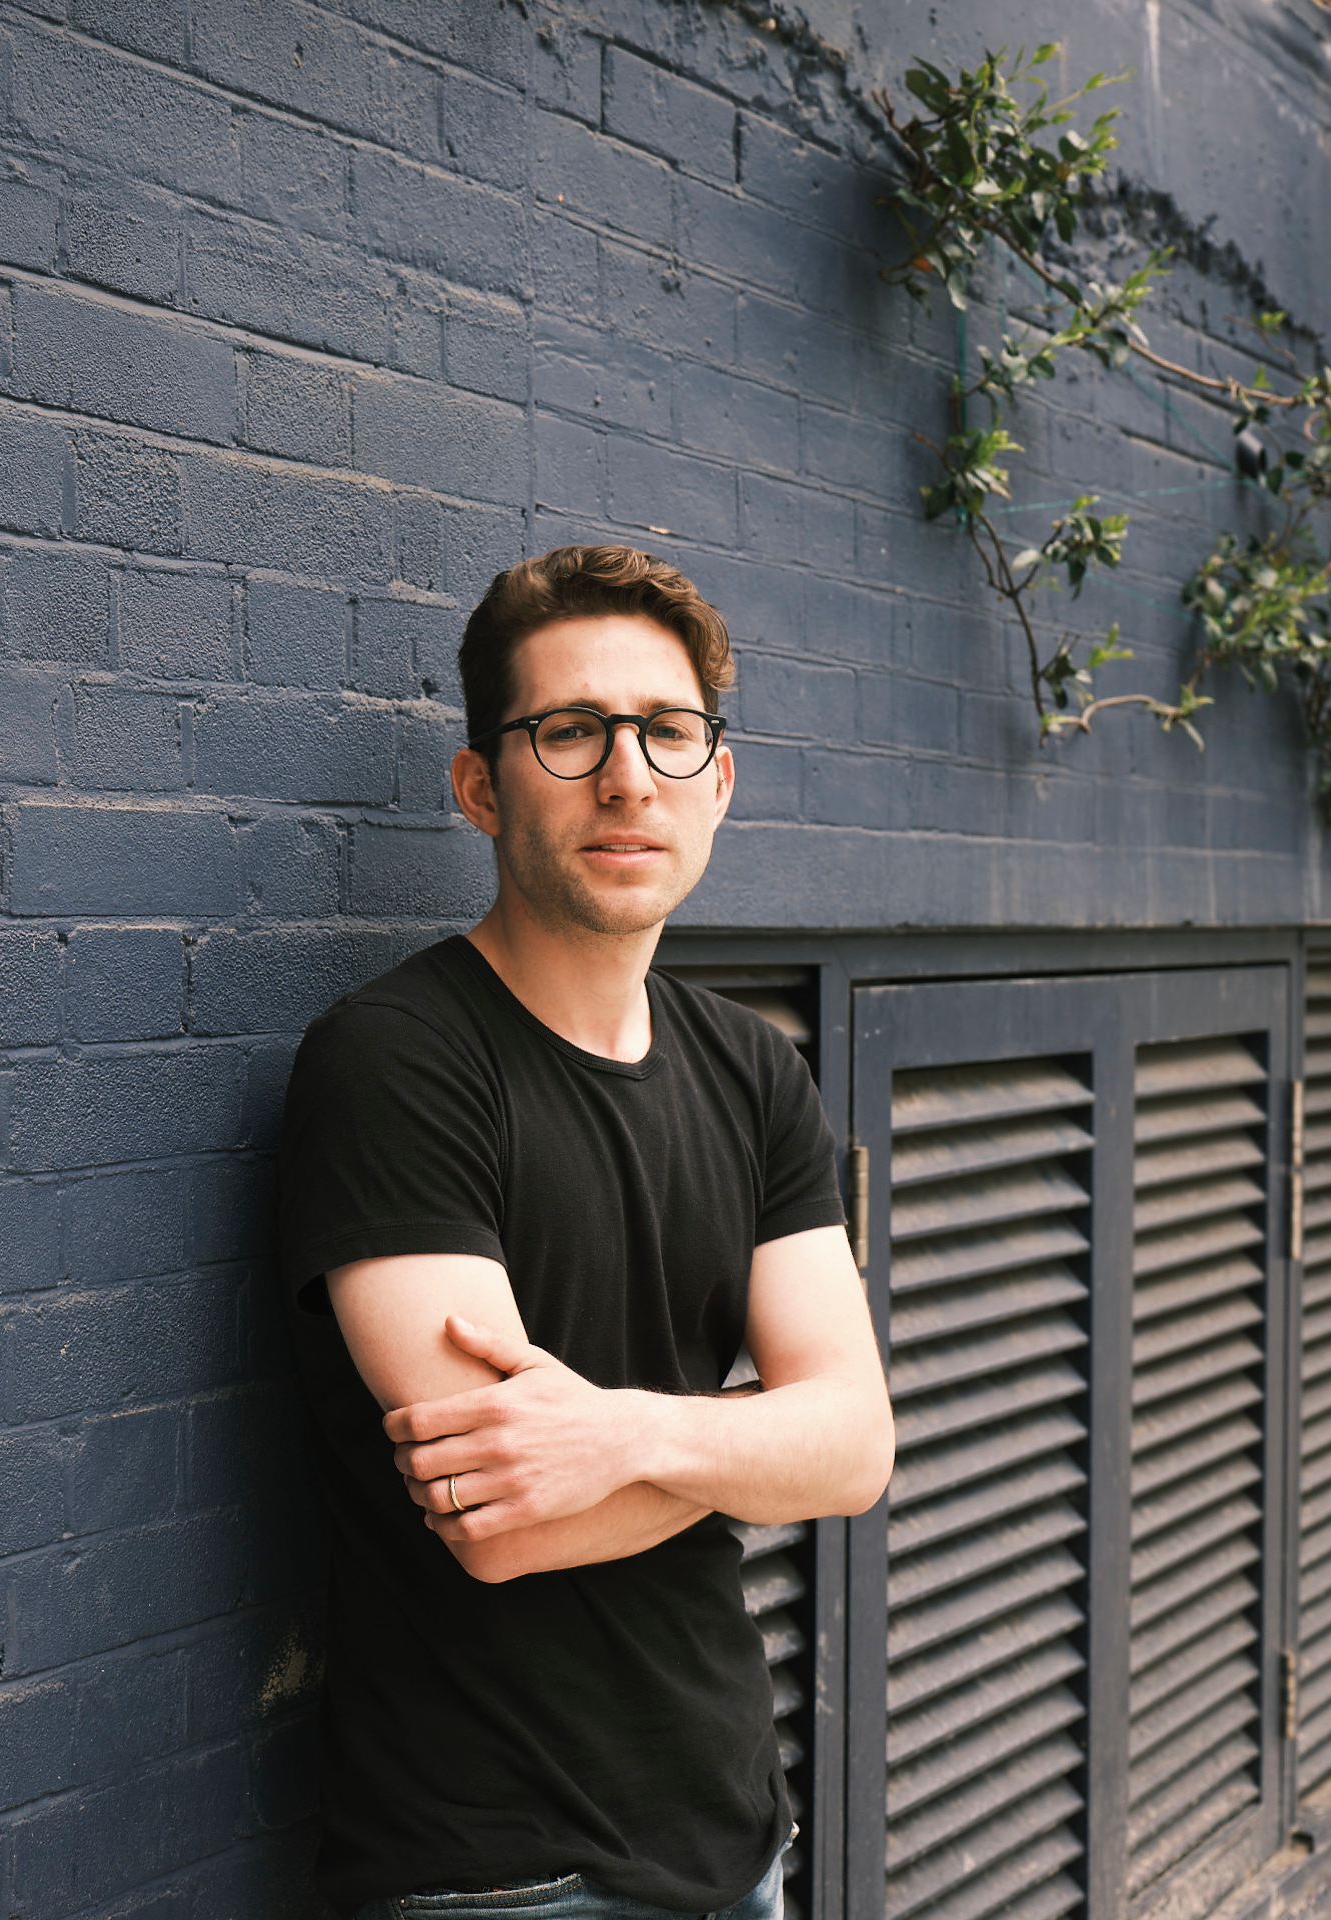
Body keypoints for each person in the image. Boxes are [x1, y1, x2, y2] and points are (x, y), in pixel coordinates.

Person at [274, 545, 895, 1919]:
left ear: (718, 782)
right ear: (481, 786)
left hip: (739, 1835)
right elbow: (501, 1520)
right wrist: (752, 1440)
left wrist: (624, 1438)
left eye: (669, 733)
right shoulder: (396, 1065)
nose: (628, 777)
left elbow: (856, 1448)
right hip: (502, 1877)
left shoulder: (755, 1072)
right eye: (571, 732)